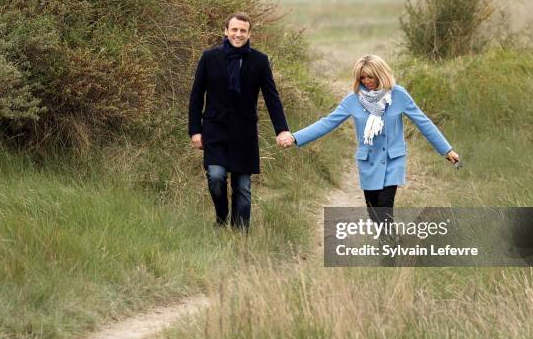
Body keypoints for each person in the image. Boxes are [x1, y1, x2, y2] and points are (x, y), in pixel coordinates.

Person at [281, 54, 459, 210]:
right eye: (362, 77)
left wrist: (447, 150)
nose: (366, 81)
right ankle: (392, 241)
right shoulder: (353, 100)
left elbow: (424, 122)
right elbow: (327, 123)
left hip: (393, 160)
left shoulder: (398, 95)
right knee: (374, 212)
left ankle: (389, 247)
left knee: (384, 207)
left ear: (381, 74)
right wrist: (295, 137)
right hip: (368, 162)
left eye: (370, 77)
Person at [189, 12, 293, 229]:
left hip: (244, 134)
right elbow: (196, 97)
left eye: (242, 30)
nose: (238, 34)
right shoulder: (209, 58)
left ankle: (240, 236)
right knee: (216, 178)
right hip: (214, 131)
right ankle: (221, 217)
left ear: (249, 33)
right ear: (226, 31)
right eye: (234, 30)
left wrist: (282, 130)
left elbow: (272, 98)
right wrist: (195, 131)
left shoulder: (260, 61)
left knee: (243, 188)